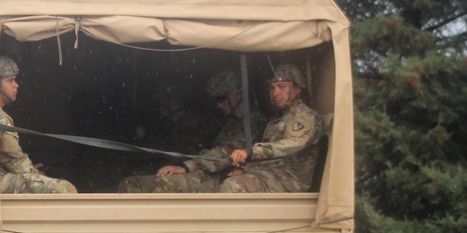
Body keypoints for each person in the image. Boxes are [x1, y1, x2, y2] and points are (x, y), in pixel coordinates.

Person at [118, 70, 267, 193]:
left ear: (238, 93)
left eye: (221, 98)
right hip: (210, 171)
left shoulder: (253, 122)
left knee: (155, 186)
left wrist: (188, 166)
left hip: (222, 177)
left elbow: (227, 151)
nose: (218, 105)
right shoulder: (232, 122)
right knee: (132, 184)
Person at [219, 64, 322, 193]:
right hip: (272, 175)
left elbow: (290, 145)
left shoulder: (305, 117)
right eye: (271, 88)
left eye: (282, 86)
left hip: (290, 181)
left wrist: (251, 151)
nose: (275, 93)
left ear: (297, 88)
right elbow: (270, 160)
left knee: (233, 186)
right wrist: (245, 169)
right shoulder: (278, 118)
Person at [0, 56, 77, 194]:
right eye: (10, 80)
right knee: (66, 189)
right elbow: (17, 164)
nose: (16, 85)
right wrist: (37, 174)